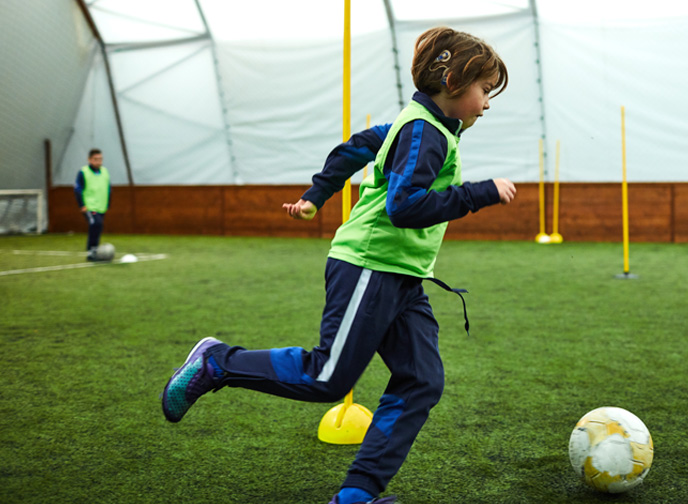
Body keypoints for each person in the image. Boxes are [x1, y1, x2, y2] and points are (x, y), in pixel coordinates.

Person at [161, 27, 516, 504]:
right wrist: (481, 192)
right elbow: (404, 207)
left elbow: (358, 146)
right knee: (327, 377)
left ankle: (356, 496)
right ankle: (216, 363)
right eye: (483, 90)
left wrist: (315, 195)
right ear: (453, 82)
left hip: (404, 277)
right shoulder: (423, 132)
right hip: (369, 266)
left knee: (421, 381)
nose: (486, 104)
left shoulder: (421, 126)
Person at [74, 149, 111, 261]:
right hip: (90, 206)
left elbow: (108, 189)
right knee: (96, 223)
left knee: (98, 226)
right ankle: (91, 252)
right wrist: (82, 205)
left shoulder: (105, 171)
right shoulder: (83, 172)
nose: (98, 162)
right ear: (89, 159)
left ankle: (96, 250)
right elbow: (77, 189)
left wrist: (107, 203)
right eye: (96, 159)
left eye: (100, 159)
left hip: (101, 206)